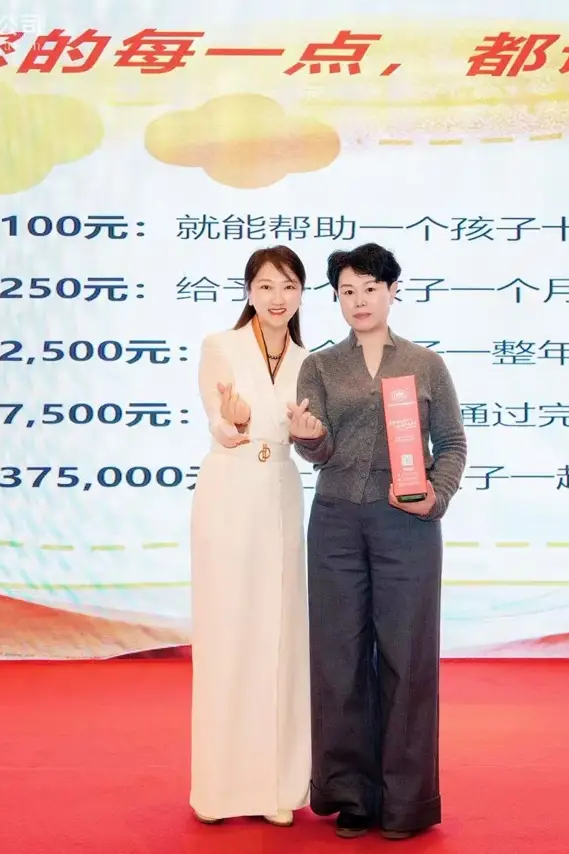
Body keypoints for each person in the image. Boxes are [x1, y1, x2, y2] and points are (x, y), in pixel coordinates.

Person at [289, 242, 468, 841]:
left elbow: (452, 444)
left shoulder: (425, 364)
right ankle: (351, 794)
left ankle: (407, 801)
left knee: (406, 659)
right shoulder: (320, 366)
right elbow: (320, 450)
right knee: (338, 659)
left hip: (407, 526)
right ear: (336, 299)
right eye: (347, 291)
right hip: (337, 523)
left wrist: (434, 496)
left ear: (393, 291)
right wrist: (307, 437)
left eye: (370, 288)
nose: (359, 300)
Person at [188, 245, 312, 828]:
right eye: (265, 286)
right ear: (248, 292)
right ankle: (218, 789)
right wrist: (230, 421)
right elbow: (216, 418)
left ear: (302, 293)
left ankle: (276, 787)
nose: (277, 298)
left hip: (281, 492)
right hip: (229, 491)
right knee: (228, 633)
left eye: (288, 286)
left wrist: (310, 434)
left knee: (280, 636)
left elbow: (310, 436)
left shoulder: (310, 361)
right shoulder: (222, 346)